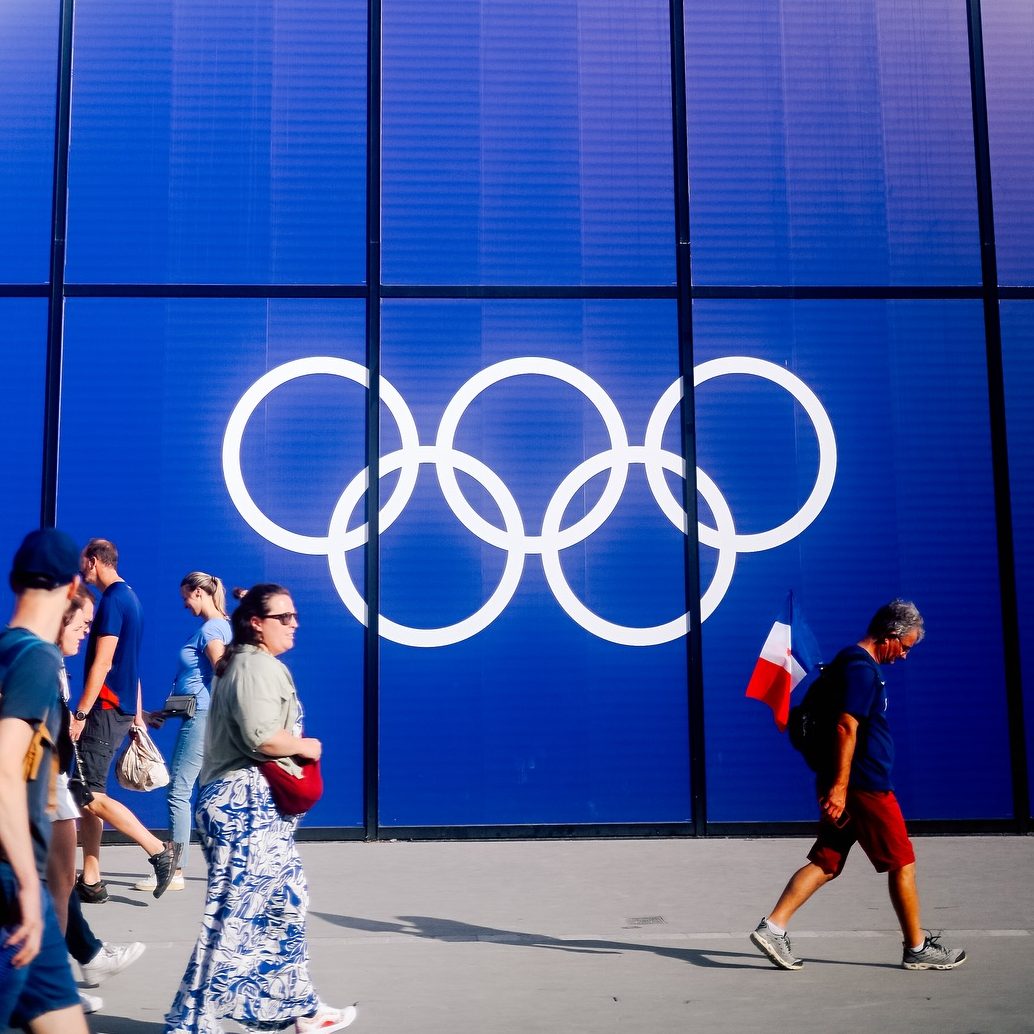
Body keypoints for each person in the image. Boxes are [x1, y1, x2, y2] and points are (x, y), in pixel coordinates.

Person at [165, 584, 357, 1034]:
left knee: (286, 905)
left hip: (250, 807)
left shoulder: (246, 662)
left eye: (294, 616)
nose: (295, 624)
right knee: (233, 916)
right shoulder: (256, 666)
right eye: (284, 617)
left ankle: (300, 1009)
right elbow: (262, 738)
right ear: (257, 623)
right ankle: (189, 1024)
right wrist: (307, 746)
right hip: (242, 806)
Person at [749, 599, 967, 972]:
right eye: (906, 647)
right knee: (902, 862)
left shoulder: (848, 663)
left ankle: (773, 927)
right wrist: (840, 787)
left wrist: (836, 786)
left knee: (827, 860)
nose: (904, 656)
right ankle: (916, 948)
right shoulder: (861, 671)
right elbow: (846, 727)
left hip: (848, 784)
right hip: (864, 787)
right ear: (890, 636)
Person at [0, 528, 89, 1034]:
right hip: (13, 886)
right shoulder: (37, 658)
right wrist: (31, 886)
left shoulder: (6, 649)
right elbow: (5, 768)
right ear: (72, 584)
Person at [47, 584, 145, 1015]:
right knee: (51, 886)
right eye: (83, 623)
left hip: (47, 791)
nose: (88, 631)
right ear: (60, 619)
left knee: (58, 884)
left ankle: (75, 967)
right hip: (36, 796)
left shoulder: (55, 663)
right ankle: (55, 985)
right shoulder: (37, 662)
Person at [69, 537, 177, 901]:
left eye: (83, 560)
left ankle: (158, 851)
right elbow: (131, 667)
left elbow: (104, 661)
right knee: (89, 793)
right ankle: (92, 880)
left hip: (102, 710)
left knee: (87, 794)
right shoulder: (130, 598)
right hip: (120, 709)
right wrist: (138, 715)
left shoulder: (113, 601)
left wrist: (81, 713)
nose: (80, 566)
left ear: (95, 561)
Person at [135, 572, 231, 893]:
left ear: (200, 593)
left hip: (202, 718)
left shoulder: (211, 629)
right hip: (204, 715)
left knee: (179, 791)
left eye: (186, 598)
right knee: (211, 794)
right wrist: (168, 711)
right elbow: (201, 679)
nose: (184, 605)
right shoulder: (219, 625)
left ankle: (174, 870)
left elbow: (221, 669)